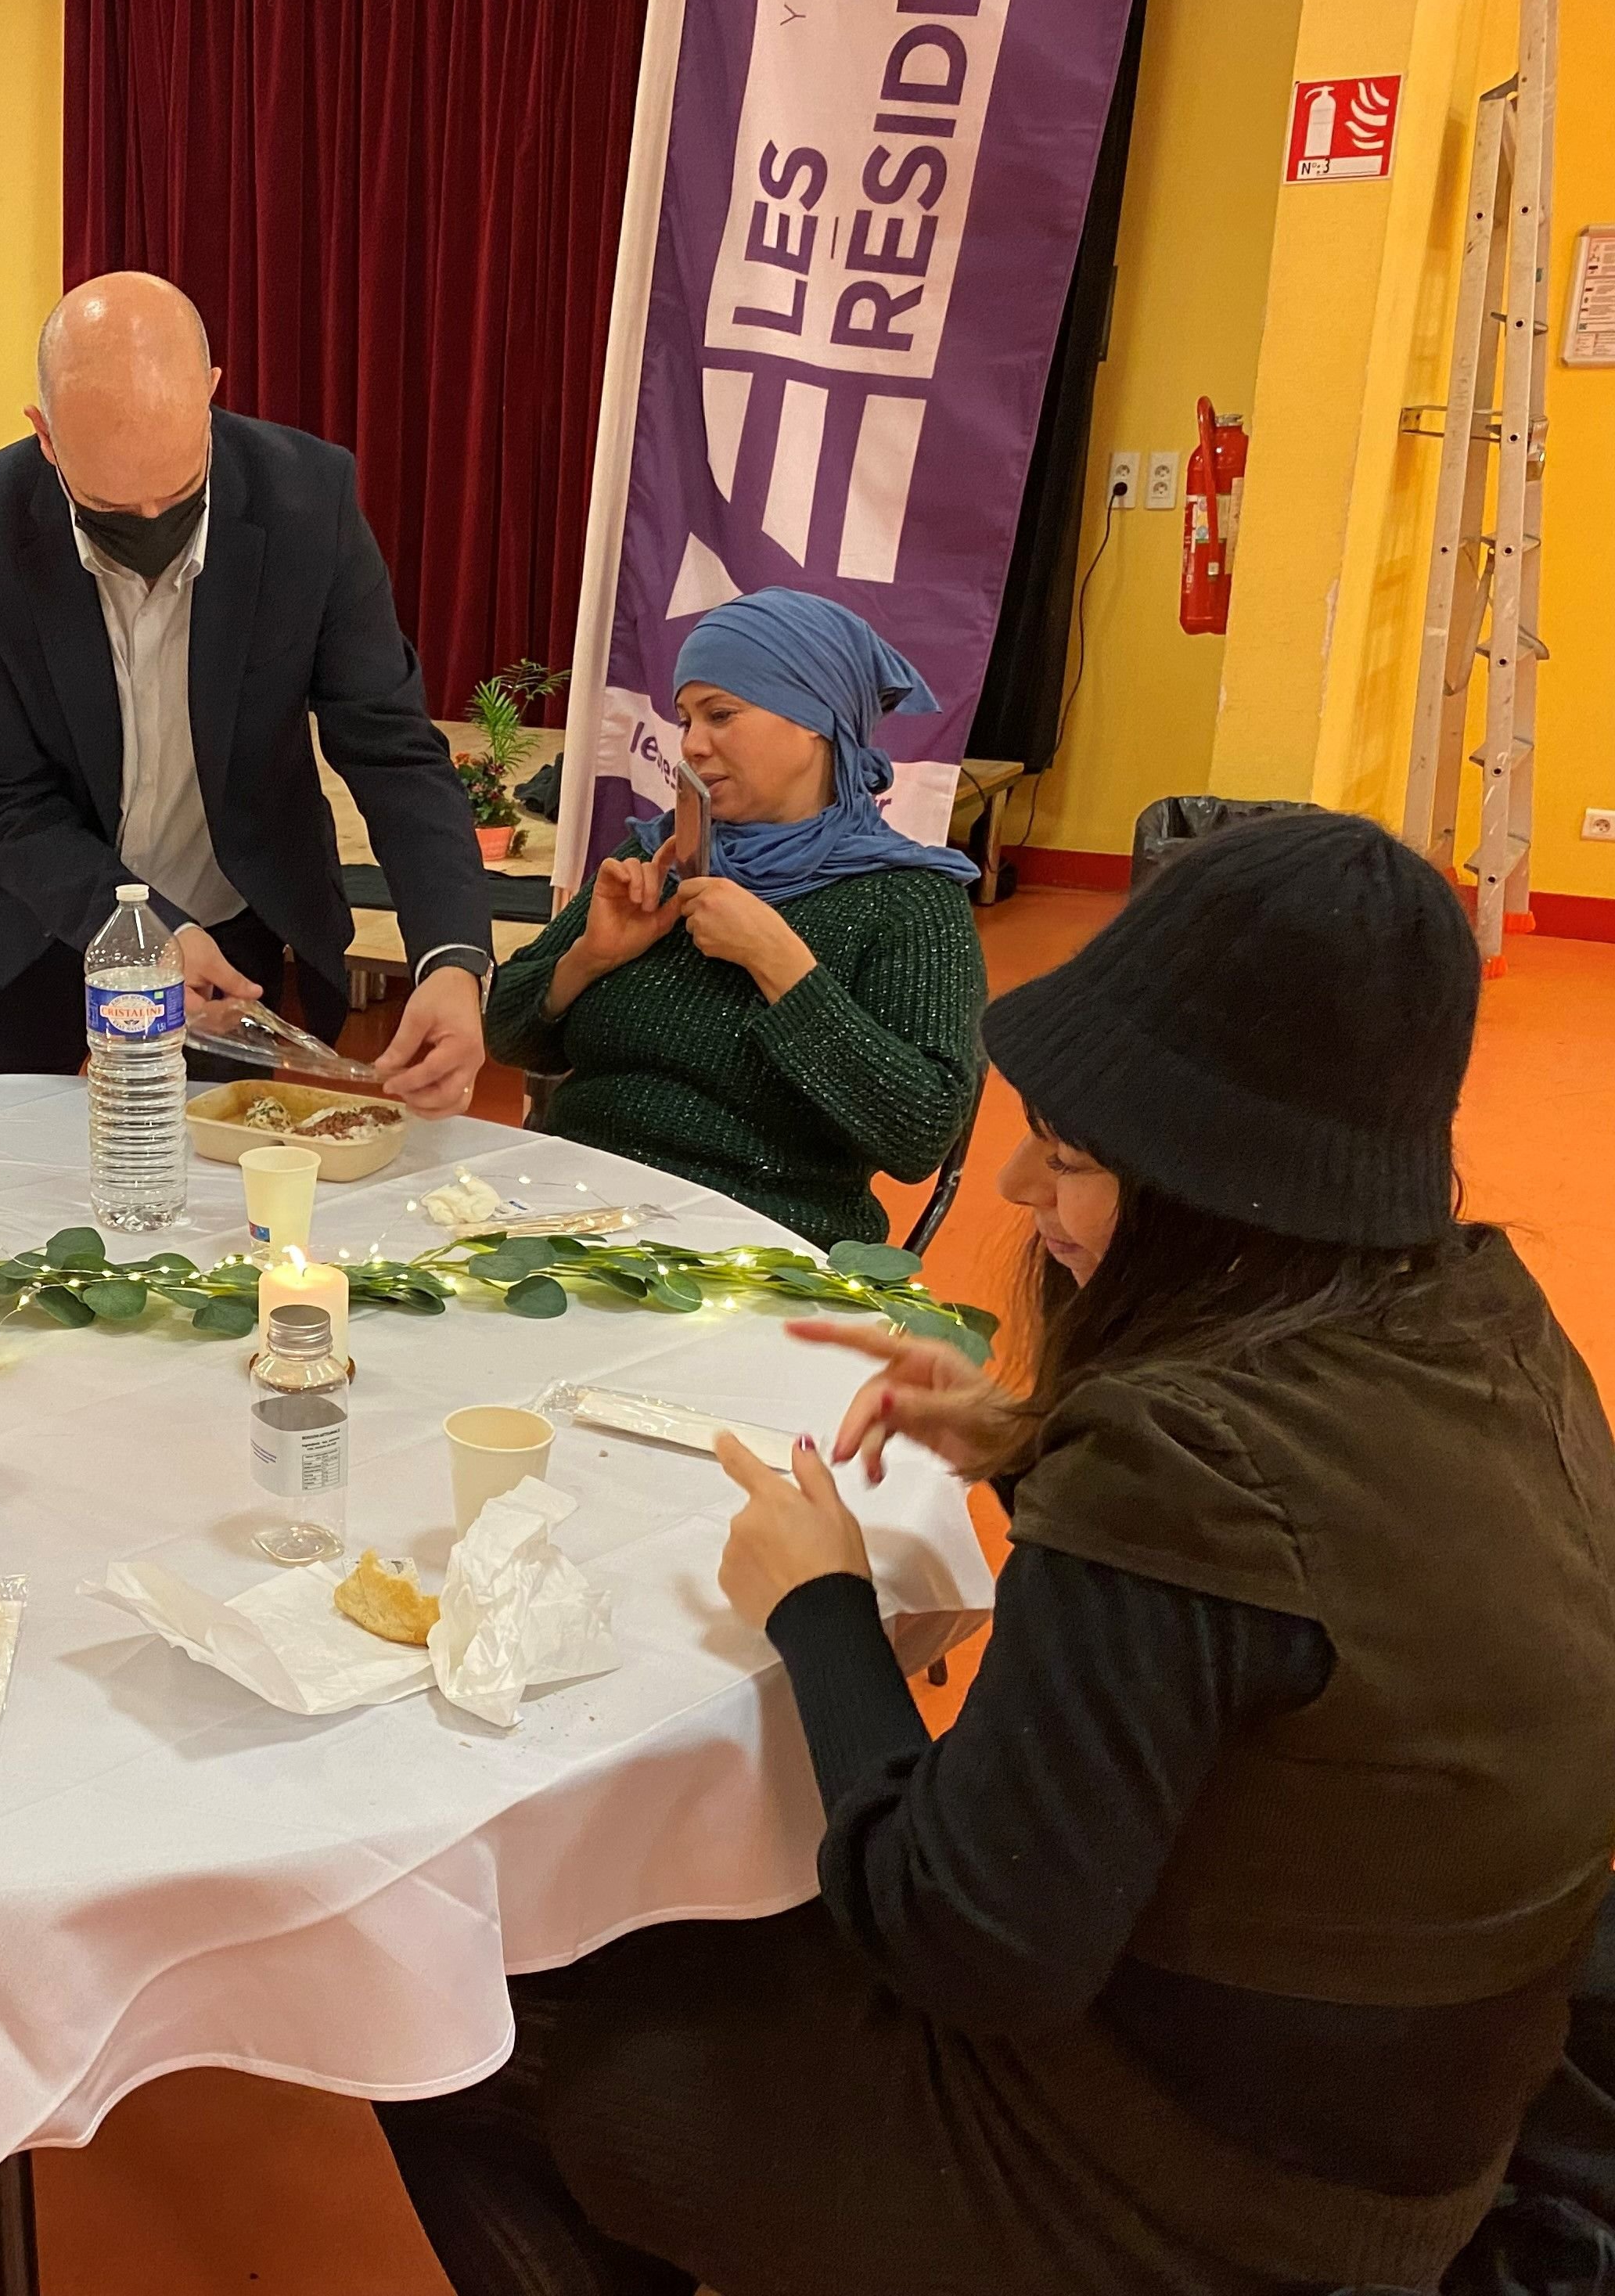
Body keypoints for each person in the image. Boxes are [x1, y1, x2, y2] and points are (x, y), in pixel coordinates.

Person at [382, 814, 1615, 2296]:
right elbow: (1276, 1622)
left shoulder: (1183, 1458)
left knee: (449, 2008)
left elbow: (950, 1933)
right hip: (1407, 2134)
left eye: (1074, 1154)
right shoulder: (1487, 1323)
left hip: (1183, 2191)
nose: (1023, 1185)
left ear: (1217, 1183)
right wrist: (1021, 1442)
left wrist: (819, 1603)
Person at [0, 271, 495, 1112]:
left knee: (214, 1208)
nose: (150, 526)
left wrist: (453, 959)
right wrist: (149, 930)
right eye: (112, 507)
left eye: (180, 494)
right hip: (39, 928)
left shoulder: (309, 504)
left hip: (232, 942)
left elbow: (392, 750)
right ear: (45, 437)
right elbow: (5, 799)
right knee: (8, 1187)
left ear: (211, 398)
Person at [485, 588, 985, 1248]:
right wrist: (590, 959)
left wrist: (780, 964)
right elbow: (507, 1035)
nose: (691, 745)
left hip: (760, 1249)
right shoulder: (658, 854)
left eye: (721, 715)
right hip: (567, 1212)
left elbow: (920, 1135)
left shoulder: (910, 900)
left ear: (815, 720)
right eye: (686, 719)